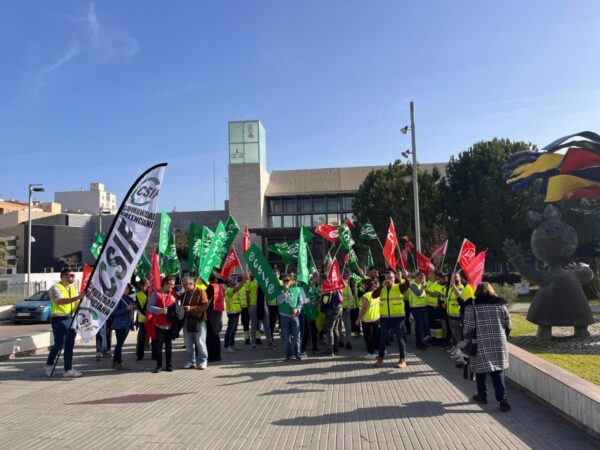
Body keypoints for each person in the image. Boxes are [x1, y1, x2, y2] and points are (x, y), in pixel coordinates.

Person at [463, 282, 512, 412]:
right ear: (491, 290)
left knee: (480, 370)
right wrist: (502, 336)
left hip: (480, 342)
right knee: (498, 371)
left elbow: (468, 328)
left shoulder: (472, 307)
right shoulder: (500, 305)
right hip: (499, 343)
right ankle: (503, 400)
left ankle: (482, 396)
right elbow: (509, 325)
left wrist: (471, 337)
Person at [45, 267, 83, 377]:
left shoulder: (73, 288)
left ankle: (68, 369)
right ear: (63, 276)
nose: (73, 277)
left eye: (73, 275)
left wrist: (81, 302)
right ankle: (49, 364)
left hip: (71, 318)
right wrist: (77, 297)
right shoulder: (55, 288)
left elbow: (76, 303)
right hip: (59, 319)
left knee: (70, 344)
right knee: (59, 343)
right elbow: (60, 301)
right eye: (70, 275)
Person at [374, 270, 407, 368]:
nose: (389, 279)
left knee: (400, 339)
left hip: (398, 318)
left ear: (394, 278)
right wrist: (381, 286)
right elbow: (373, 295)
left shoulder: (398, 287)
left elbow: (407, 285)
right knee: (383, 339)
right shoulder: (382, 289)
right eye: (387, 277)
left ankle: (402, 359)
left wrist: (406, 277)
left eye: (391, 277)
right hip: (385, 319)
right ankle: (380, 359)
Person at [147, 276, 177, 373]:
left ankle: (169, 365)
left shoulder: (173, 294)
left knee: (169, 346)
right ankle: (158, 365)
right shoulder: (156, 294)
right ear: (165, 284)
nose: (172, 287)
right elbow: (149, 307)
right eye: (171, 285)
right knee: (158, 346)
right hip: (159, 324)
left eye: (173, 285)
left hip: (170, 324)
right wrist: (160, 310)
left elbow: (176, 306)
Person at [179, 277, 209, 369]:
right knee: (188, 343)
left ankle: (203, 361)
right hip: (187, 320)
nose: (184, 287)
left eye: (186, 285)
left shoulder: (200, 292)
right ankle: (191, 361)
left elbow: (205, 305)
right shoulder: (184, 294)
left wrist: (191, 309)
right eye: (183, 285)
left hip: (199, 320)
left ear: (191, 284)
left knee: (200, 342)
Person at [277, 276, 304, 360]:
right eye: (284, 281)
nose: (286, 282)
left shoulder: (297, 289)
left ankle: (297, 353)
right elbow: (279, 301)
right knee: (286, 336)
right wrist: (285, 291)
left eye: (288, 281)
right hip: (284, 317)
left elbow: (301, 301)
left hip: (294, 316)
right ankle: (289, 354)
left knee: (297, 336)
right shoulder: (279, 291)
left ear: (291, 282)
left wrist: (297, 309)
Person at [247, 275, 275, 349]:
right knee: (254, 325)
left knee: (266, 324)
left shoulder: (264, 282)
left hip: (262, 305)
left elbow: (267, 293)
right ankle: (253, 343)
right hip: (253, 305)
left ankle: (269, 342)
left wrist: (266, 305)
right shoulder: (249, 282)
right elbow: (247, 294)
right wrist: (248, 306)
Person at [111, 284, 135, 370]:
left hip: (127, 325)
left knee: (119, 344)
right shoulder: (118, 299)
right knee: (119, 344)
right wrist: (126, 309)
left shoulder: (129, 298)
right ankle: (119, 362)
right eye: (124, 288)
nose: (126, 289)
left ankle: (115, 362)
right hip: (120, 325)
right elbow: (114, 312)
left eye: (127, 288)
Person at [355, 279, 380, 360]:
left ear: (367, 286)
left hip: (367, 319)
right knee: (376, 335)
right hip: (376, 318)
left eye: (364, 285)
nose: (362, 286)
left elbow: (364, 309)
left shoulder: (366, 296)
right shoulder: (376, 293)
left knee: (368, 337)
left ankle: (371, 353)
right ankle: (381, 350)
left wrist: (358, 319)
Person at [321, 281, 344, 357]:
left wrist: (323, 295)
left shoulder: (329, 288)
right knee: (335, 329)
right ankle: (336, 348)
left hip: (331, 310)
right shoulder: (338, 287)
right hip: (339, 309)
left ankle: (330, 350)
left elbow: (325, 301)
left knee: (330, 330)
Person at [206, 274, 225, 362]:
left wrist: (203, 309)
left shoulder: (210, 287)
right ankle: (218, 355)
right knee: (216, 334)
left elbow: (208, 300)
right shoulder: (220, 287)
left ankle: (212, 356)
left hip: (211, 312)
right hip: (219, 311)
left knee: (210, 335)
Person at [301, 273, 320, 355]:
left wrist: (317, 302)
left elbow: (320, 298)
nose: (311, 282)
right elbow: (302, 300)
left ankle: (315, 346)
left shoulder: (316, 290)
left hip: (313, 313)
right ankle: (302, 347)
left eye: (312, 280)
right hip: (306, 313)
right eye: (310, 280)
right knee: (306, 331)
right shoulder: (303, 290)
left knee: (314, 330)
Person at [224, 276, 245, 352]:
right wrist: (243, 280)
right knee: (230, 329)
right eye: (231, 281)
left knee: (234, 329)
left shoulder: (232, 289)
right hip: (232, 312)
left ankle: (232, 344)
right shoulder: (229, 290)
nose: (233, 281)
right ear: (228, 283)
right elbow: (237, 289)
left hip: (236, 312)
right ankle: (227, 345)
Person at [408, 272, 428, 350]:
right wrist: (423, 286)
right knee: (419, 327)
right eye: (419, 277)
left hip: (422, 307)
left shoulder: (420, 285)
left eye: (423, 278)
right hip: (416, 309)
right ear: (416, 277)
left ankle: (421, 341)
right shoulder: (413, 285)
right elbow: (418, 293)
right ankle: (419, 343)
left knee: (421, 326)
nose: (421, 279)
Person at [134, 278, 150, 361]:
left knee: (153, 337)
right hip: (142, 319)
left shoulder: (150, 293)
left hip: (151, 319)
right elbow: (140, 308)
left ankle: (155, 355)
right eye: (142, 286)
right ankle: (139, 355)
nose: (144, 288)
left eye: (146, 286)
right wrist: (146, 315)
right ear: (140, 286)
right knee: (141, 338)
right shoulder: (138, 294)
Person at [338, 274, 354, 350]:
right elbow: (351, 298)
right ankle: (348, 342)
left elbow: (350, 298)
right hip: (344, 309)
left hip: (341, 309)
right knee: (347, 327)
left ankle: (342, 341)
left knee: (340, 327)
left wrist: (348, 307)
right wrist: (349, 307)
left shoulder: (340, 286)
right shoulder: (346, 286)